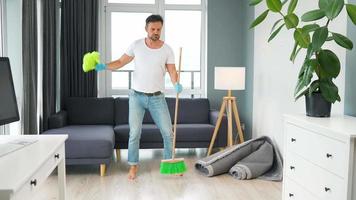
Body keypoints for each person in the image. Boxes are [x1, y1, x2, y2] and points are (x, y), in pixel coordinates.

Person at [95, 14, 182, 180]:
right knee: (134, 133)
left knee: (168, 132)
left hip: (157, 98)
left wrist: (176, 82)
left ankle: (169, 164)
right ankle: (133, 166)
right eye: (153, 29)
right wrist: (104, 66)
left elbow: (172, 71)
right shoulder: (136, 45)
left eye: (159, 29)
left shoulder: (167, 49)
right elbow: (120, 62)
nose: (156, 32)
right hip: (136, 97)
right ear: (146, 28)